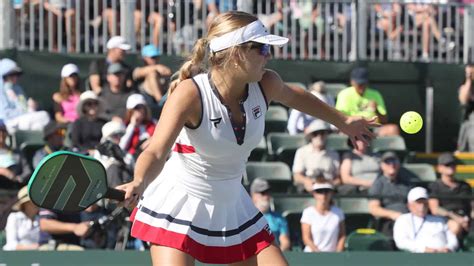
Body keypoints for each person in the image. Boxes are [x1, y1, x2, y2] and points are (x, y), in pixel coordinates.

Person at [117, 11, 375, 265]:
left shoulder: (267, 83)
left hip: (232, 203)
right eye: (262, 49)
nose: (269, 56)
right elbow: (156, 152)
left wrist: (344, 121)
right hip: (178, 200)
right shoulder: (190, 94)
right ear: (238, 53)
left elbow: (297, 96)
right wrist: (139, 181)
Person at [335, 67, 399, 136]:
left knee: (393, 129)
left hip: (373, 128)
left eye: (364, 83)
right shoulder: (344, 94)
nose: (362, 87)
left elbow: (384, 120)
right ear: (352, 82)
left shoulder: (375, 94)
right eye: (359, 84)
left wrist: (376, 109)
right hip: (352, 128)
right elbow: (340, 118)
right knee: (360, 141)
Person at [393, 187, 458, 253]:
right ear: (409, 205)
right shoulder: (403, 220)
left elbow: (452, 239)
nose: (422, 207)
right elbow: (401, 242)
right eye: (418, 203)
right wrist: (423, 249)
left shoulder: (439, 220)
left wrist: (448, 248)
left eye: (424, 203)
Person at [368, 151, 416, 237]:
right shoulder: (378, 183)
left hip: (410, 219)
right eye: (387, 162)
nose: (391, 164)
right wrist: (393, 214)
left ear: (399, 164)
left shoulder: (406, 182)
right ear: (382, 166)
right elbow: (374, 209)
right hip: (388, 222)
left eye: (394, 161)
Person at [0, 58, 50, 132]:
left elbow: (24, 106)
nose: (15, 77)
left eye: (17, 75)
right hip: (7, 124)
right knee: (44, 116)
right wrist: (26, 110)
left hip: (23, 120)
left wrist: (31, 106)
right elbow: (5, 115)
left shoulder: (18, 89)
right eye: (12, 75)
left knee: (39, 125)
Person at [428, 153, 471, 237]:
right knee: (455, 225)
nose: (451, 167)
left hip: (466, 219)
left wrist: (468, 219)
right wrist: (456, 218)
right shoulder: (434, 186)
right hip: (445, 220)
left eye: (453, 164)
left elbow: (472, 206)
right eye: (447, 165)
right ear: (439, 168)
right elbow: (435, 209)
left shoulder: (465, 186)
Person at [292, 120, 341, 193]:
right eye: (315, 134)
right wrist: (306, 181)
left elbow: (338, 177)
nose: (319, 136)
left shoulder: (334, 153)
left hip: (328, 186)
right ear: (310, 136)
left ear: (327, 134)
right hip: (310, 184)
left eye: (322, 133)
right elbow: (297, 176)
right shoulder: (302, 152)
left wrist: (332, 184)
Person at [300, 182, 346, 252]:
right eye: (319, 191)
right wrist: (318, 253)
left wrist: (337, 254)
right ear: (314, 194)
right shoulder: (308, 212)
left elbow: (342, 235)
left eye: (327, 191)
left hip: (333, 256)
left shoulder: (338, 212)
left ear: (331, 193)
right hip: (311, 255)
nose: (324, 194)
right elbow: (306, 238)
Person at [250, 178, 291, 252]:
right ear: (253, 195)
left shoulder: (279, 218)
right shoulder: (245, 217)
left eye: (268, 192)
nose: (266, 196)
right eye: (262, 193)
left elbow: (285, 242)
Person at [132, 44, 172, 114]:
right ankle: (161, 102)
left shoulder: (162, 71)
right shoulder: (138, 69)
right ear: (144, 58)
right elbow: (139, 73)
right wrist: (157, 67)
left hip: (163, 98)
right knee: (152, 74)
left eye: (156, 57)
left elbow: (168, 72)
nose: (155, 60)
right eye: (152, 57)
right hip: (145, 102)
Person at [3, 186, 41, 251]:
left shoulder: (40, 219)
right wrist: (35, 248)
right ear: (25, 203)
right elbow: (11, 245)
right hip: (16, 258)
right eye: (33, 201)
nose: (36, 204)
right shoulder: (14, 217)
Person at [119, 94, 156, 159]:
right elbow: (122, 147)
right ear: (130, 111)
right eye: (137, 108)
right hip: (130, 159)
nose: (141, 110)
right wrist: (132, 125)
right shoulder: (124, 125)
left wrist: (151, 140)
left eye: (142, 107)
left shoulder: (152, 124)